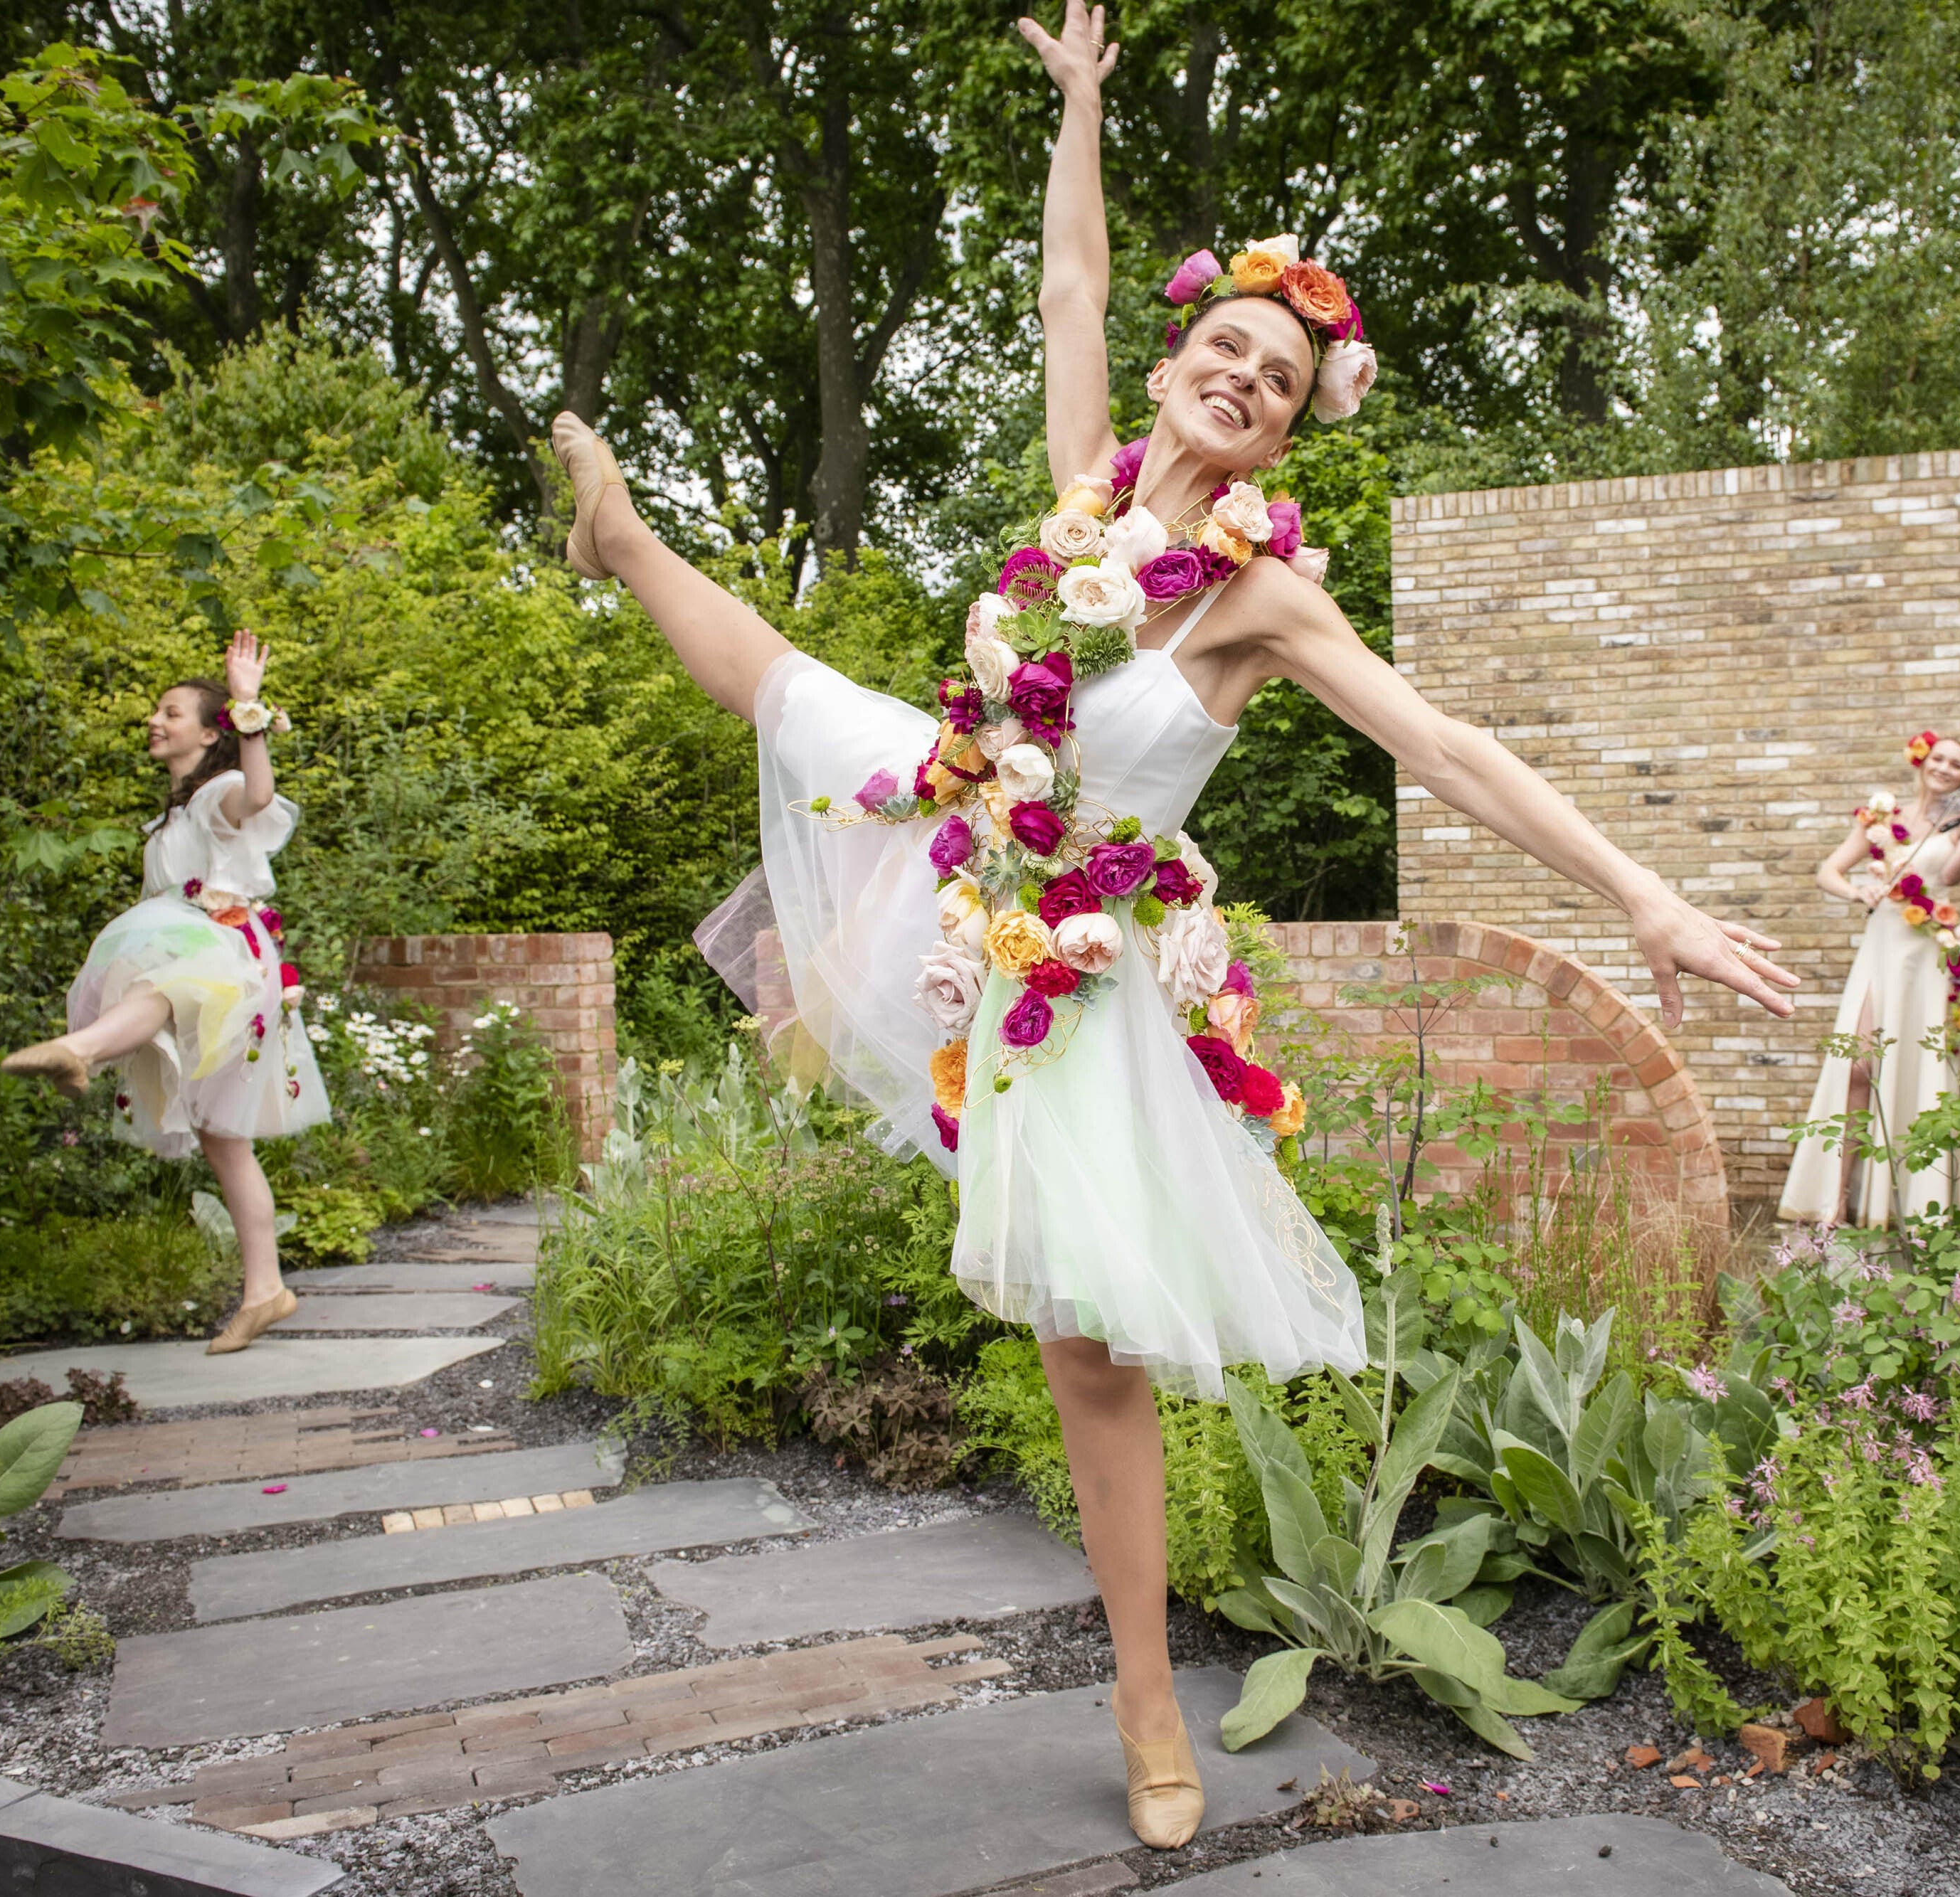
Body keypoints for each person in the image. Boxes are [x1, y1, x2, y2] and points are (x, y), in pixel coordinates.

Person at [544, 0, 1796, 1845]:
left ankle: (1143, 1690)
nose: (1244, 380)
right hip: (969, 852)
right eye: (1224, 348)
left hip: (1094, 968)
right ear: (1174, 367)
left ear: (1294, 425)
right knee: (806, 701)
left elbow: (1446, 746)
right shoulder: (1084, 499)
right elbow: (1069, 285)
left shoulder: (1258, 599)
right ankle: (623, 544)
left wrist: (1646, 896)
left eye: (1278, 379)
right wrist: (1078, 110)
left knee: (1091, 1347)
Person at [1, 629, 331, 1354]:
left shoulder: (218, 794)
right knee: (225, 1142)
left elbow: (261, 792)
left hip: (224, 957)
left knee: (164, 982)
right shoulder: (174, 814)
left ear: (210, 730)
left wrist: (247, 703)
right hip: (204, 951)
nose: (156, 720)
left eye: (171, 711)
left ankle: (78, 1049)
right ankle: (265, 1289)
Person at [1779, 730, 1960, 1228]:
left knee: (1922, 1070)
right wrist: (1857, 892)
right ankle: (1836, 1199)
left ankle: (1916, 1205)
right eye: (1940, 757)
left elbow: (1956, 871)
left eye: (1956, 763)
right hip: (1882, 949)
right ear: (1922, 758)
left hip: (1928, 955)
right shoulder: (1884, 816)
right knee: (1859, 1068)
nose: (1946, 768)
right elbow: (1829, 870)